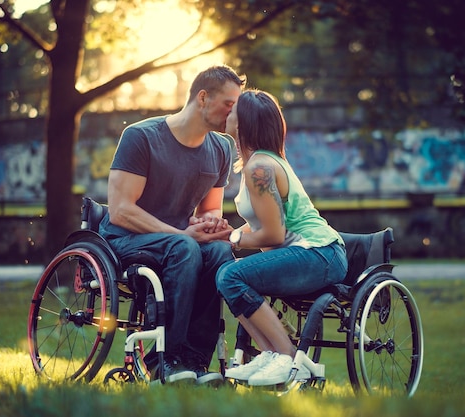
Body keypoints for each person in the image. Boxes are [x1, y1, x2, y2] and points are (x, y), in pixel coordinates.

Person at [99, 65, 245, 385]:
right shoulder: (141, 137)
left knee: (220, 252)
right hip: (125, 240)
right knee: (185, 247)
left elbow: (209, 209)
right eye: (229, 105)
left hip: (180, 244)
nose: (235, 114)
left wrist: (211, 225)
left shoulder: (220, 148)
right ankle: (167, 359)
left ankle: (195, 361)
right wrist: (183, 234)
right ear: (203, 98)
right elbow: (121, 211)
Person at [216, 89, 348, 386]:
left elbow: (274, 234)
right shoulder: (260, 162)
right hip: (313, 253)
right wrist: (228, 233)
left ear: (245, 122)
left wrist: (233, 241)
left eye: (233, 108)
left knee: (230, 275)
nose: (227, 112)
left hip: (319, 253)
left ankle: (289, 358)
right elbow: (270, 224)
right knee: (225, 273)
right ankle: (272, 354)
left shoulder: (260, 167)